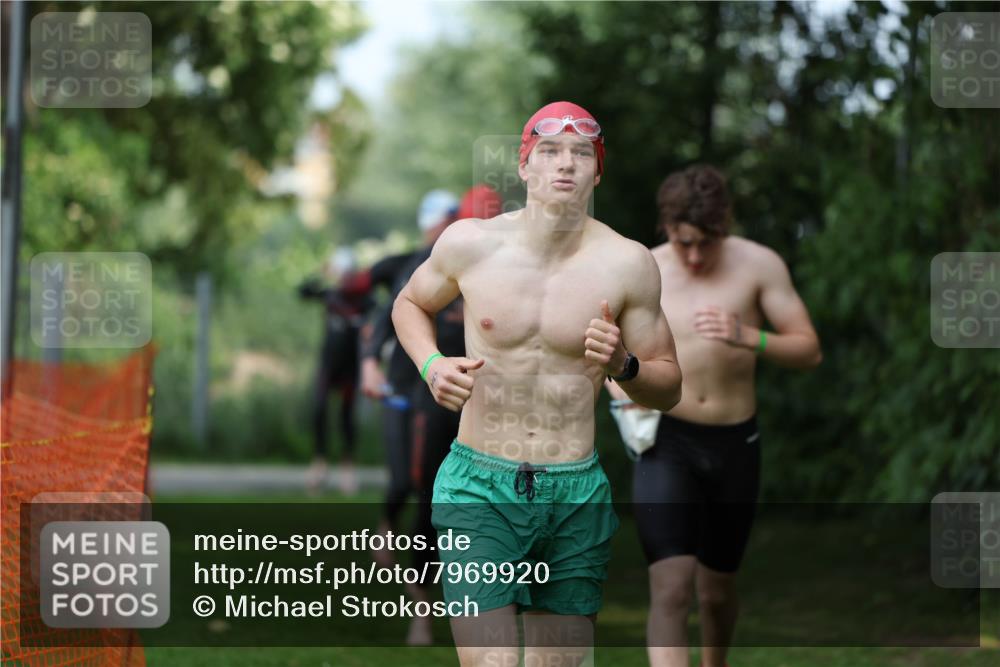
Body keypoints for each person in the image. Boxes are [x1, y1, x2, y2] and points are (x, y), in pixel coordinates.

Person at [392, 101, 683, 667]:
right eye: (549, 152)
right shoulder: (469, 243)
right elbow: (409, 304)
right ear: (525, 166)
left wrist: (625, 365)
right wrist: (432, 366)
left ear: (598, 171)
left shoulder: (629, 264)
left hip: (574, 491)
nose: (565, 165)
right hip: (479, 486)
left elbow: (668, 385)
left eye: (581, 154)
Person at [607, 165, 822, 667]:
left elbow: (809, 350)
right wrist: (620, 391)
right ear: (667, 228)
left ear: (726, 225)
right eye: (685, 243)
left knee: (716, 591)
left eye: (709, 243)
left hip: (735, 444)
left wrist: (749, 336)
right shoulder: (642, 269)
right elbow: (604, 353)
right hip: (667, 441)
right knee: (671, 587)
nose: (697, 256)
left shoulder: (759, 265)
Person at [359, 190, 459, 556]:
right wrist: (369, 364)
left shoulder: (474, 266)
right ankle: (386, 527)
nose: (451, 227)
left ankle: (425, 577)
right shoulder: (415, 266)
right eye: (446, 219)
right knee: (403, 480)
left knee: (430, 487)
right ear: (430, 223)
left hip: (445, 396)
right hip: (402, 389)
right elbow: (384, 318)